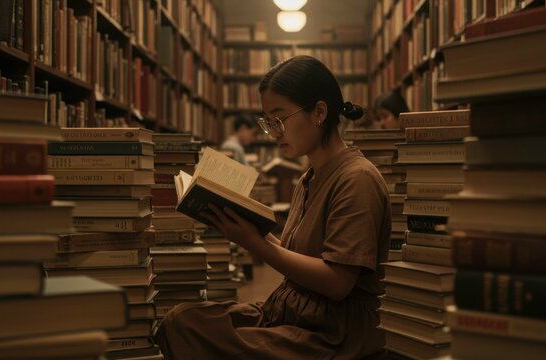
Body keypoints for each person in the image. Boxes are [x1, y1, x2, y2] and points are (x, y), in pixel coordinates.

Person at [155, 55, 391, 359]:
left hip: (332, 332)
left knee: (193, 334)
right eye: (267, 122)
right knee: (182, 321)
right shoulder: (309, 177)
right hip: (293, 312)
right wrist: (254, 234)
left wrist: (256, 245)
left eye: (279, 119)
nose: (273, 132)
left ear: (319, 112)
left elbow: (337, 282)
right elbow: (304, 257)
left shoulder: (357, 179)